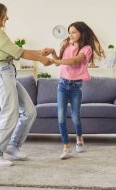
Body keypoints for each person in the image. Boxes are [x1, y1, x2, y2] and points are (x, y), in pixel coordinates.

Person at [0, 2, 53, 167]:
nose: (7, 17)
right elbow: (18, 52)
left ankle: (13, 146)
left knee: (29, 111)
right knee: (9, 113)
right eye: (5, 14)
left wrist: (40, 52)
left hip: (9, 74)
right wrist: (41, 59)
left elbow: (15, 51)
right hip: (2, 74)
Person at [43, 21, 104, 159]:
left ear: (81, 33)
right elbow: (60, 61)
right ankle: (66, 147)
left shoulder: (86, 48)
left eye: (74, 32)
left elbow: (74, 61)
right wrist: (53, 53)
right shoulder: (66, 45)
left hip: (76, 86)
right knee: (61, 116)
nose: (70, 35)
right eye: (69, 32)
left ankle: (79, 138)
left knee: (76, 117)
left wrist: (55, 62)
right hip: (62, 85)